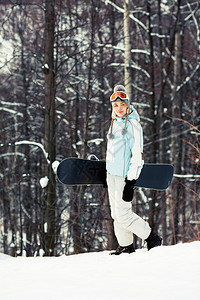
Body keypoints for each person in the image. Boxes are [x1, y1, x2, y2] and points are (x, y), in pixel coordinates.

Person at [106, 85, 162, 255]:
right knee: (116, 214)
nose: (119, 108)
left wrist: (131, 181)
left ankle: (151, 237)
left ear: (128, 105)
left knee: (123, 214)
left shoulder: (133, 124)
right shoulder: (114, 123)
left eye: (122, 104)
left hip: (125, 177)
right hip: (112, 175)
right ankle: (126, 246)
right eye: (116, 106)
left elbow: (137, 154)